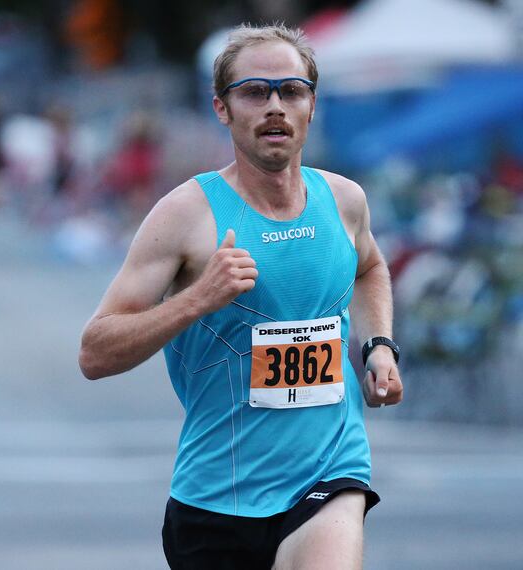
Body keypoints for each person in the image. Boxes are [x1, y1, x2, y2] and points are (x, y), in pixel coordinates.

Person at [79, 24, 403, 569]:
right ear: (222, 109)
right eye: (254, 92)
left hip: (330, 471)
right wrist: (197, 299)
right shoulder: (185, 215)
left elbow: (369, 267)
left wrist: (380, 347)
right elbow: (95, 353)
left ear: (311, 106)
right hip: (217, 498)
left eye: (291, 91)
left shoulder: (345, 200)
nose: (275, 106)